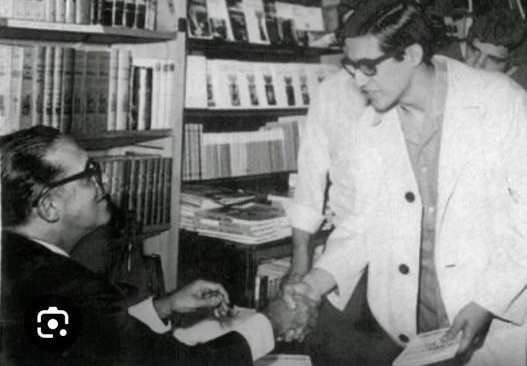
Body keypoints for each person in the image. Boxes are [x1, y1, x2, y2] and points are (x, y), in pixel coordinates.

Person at [283, 0, 527, 366]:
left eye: (368, 66)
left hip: (493, 319)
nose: (358, 81)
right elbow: (365, 223)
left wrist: (486, 302)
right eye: (351, 67)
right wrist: (316, 283)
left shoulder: (500, 100)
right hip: (413, 329)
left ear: (411, 55)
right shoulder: (371, 125)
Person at [0, 125, 303, 366]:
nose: (103, 182)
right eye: (88, 174)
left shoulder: (17, 263)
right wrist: (272, 321)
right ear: (49, 206)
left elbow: (85, 338)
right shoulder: (76, 289)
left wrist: (162, 308)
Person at [286, 62, 383, 366]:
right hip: (343, 247)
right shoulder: (330, 91)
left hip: (394, 253)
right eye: (351, 63)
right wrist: (300, 256)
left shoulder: (402, 93)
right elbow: (310, 176)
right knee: (331, 347)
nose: (360, 76)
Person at [441, 7, 527, 96]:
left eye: (493, 59)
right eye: (474, 51)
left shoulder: (518, 94)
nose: (477, 64)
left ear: (511, 69)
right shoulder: (444, 67)